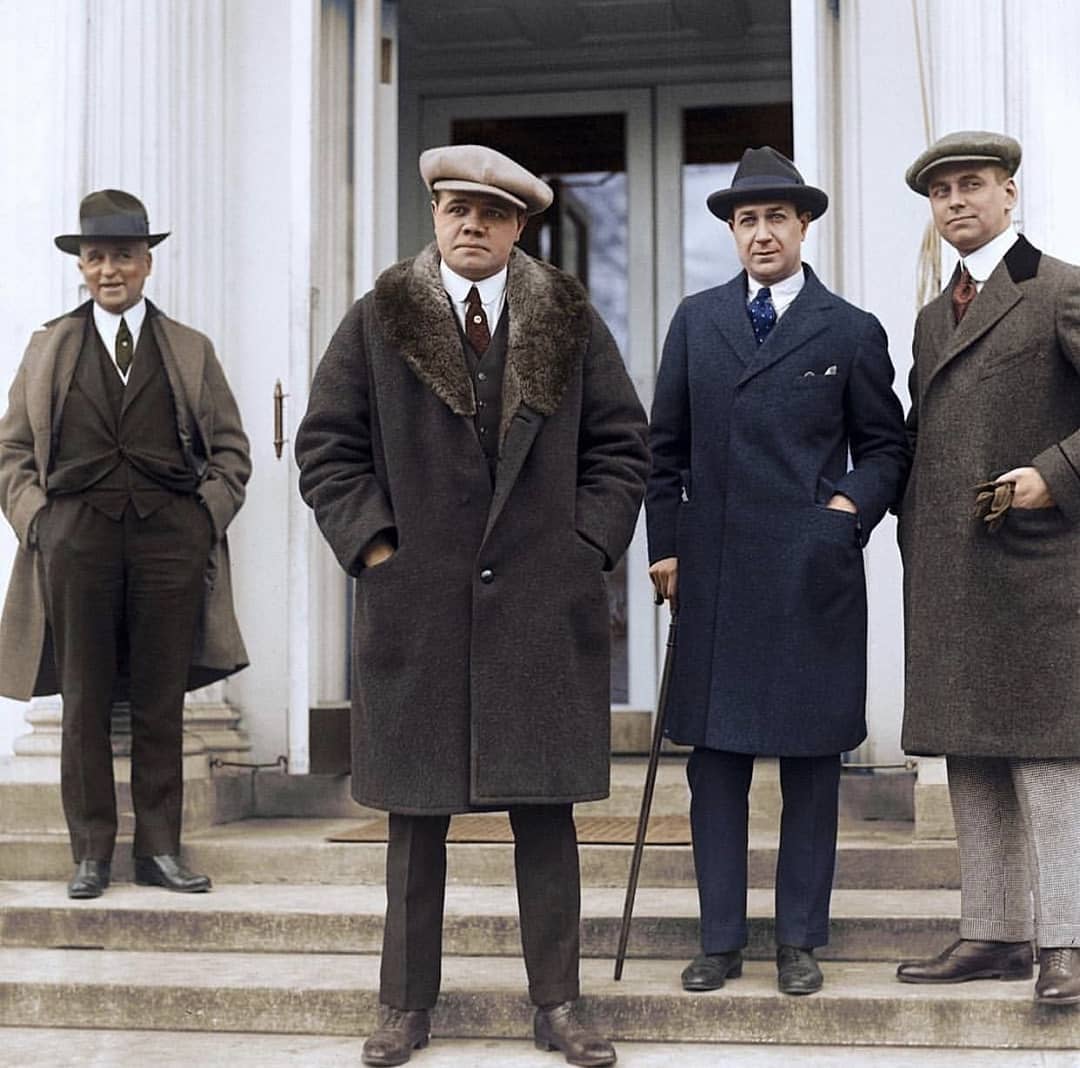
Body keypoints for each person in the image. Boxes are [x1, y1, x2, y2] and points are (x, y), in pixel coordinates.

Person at [295, 144, 648, 1067]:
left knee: (547, 816)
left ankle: (560, 1006)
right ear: (437, 216)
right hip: (416, 608)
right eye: (457, 209)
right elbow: (327, 445)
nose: (472, 226)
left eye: (492, 215)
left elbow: (621, 446)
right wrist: (376, 548)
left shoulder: (566, 318)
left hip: (540, 606)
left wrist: (587, 548)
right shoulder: (381, 316)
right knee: (415, 825)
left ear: (519, 227)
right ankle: (405, 1007)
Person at [646, 147, 909, 997]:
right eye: (746, 220)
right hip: (714, 575)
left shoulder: (849, 329)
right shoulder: (696, 320)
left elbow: (887, 447)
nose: (762, 234)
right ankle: (719, 938)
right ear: (732, 231)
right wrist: (666, 548)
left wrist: (844, 517)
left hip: (809, 576)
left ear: (804, 227)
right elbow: (663, 452)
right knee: (714, 766)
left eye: (777, 219)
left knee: (809, 763)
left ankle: (798, 937)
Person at [0, 189, 250, 899]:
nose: (110, 270)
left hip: (169, 540)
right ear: (81, 266)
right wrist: (38, 523)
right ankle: (89, 853)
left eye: (124, 257)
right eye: (96, 258)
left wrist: (204, 517)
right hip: (74, 541)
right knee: (82, 698)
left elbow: (231, 450)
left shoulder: (189, 349)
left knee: (158, 699)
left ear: (147, 263)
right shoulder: (47, 347)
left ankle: (160, 850)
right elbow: (11, 451)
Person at [896, 131, 1080, 1006]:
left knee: (1048, 760)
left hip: (1042, 570)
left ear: (1010, 194)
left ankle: (1067, 941)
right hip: (952, 573)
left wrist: (1059, 473)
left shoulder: (1060, 288)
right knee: (970, 757)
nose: (957, 202)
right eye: (942, 193)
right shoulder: (935, 316)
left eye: (973, 186)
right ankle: (995, 930)